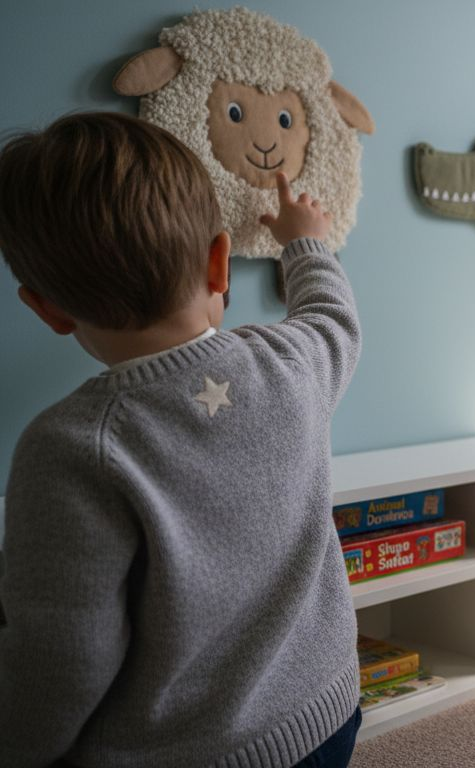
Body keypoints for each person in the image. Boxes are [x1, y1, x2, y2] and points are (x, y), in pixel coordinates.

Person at [0, 112, 362, 767]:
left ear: (46, 308)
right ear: (220, 262)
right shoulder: (289, 363)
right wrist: (305, 243)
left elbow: (63, 660)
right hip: (325, 712)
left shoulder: (71, 447)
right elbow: (333, 318)